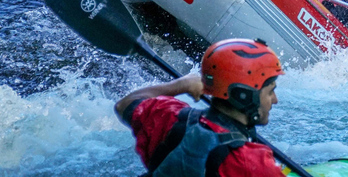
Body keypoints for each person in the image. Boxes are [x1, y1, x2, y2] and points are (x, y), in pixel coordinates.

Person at [115, 38, 286, 177]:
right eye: (270, 92)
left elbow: (125, 104)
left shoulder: (171, 117)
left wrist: (181, 85)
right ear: (244, 95)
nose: (275, 100)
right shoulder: (252, 163)